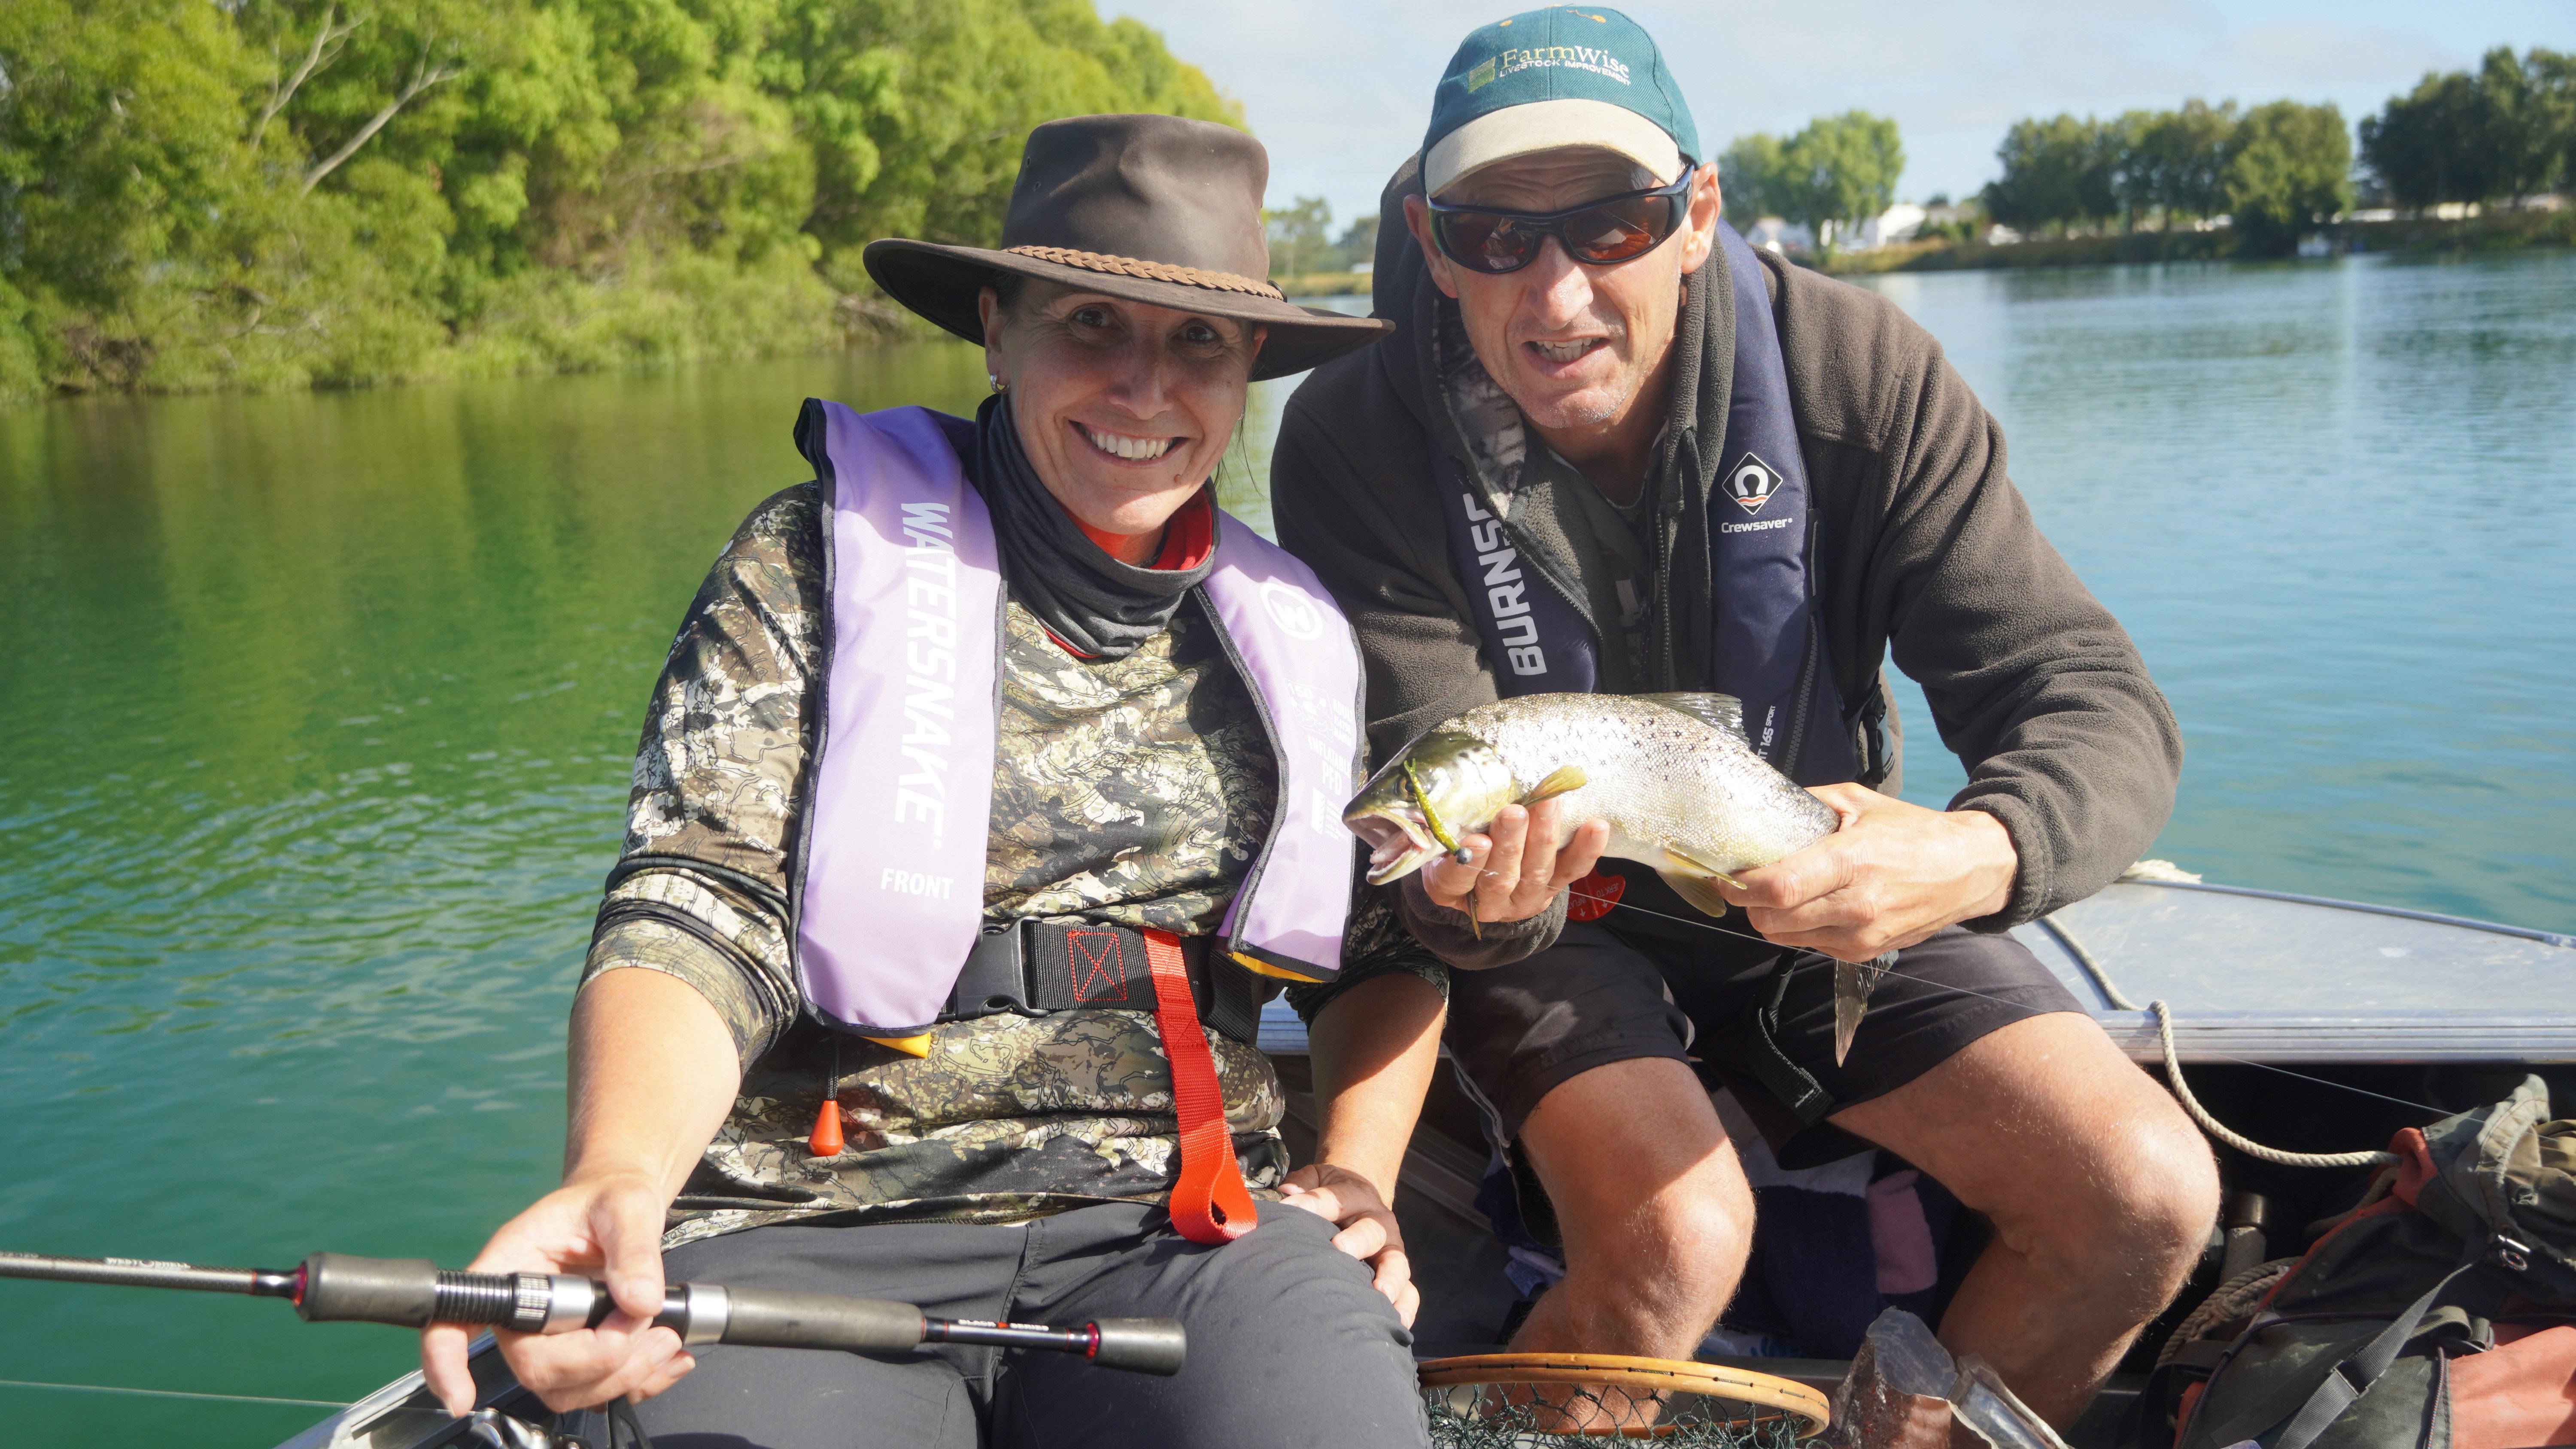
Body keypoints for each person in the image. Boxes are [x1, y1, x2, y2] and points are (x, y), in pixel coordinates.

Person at [420, 113, 1456, 1449]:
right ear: (997, 328)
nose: (1145, 389)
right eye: (1092, 322)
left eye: (1197, 341)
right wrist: (616, 1172)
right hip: (813, 1236)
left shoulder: (1292, 634)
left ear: (1249, 361)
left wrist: (1356, 1176)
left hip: (1184, 1235)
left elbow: (1385, 947)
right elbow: (696, 902)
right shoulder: (815, 562)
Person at [1269, 8, 2222, 1430]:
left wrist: (1974, 855)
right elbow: (1433, 832)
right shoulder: (1354, 434)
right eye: (1492, 235)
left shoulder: (1859, 375)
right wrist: (1480, 909)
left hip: (1809, 872)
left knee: (2145, 1196)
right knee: (1677, 1236)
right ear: (1427, 236)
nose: (1557, 291)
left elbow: (2088, 698)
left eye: (1611, 223)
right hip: (1558, 921)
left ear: (1697, 213)